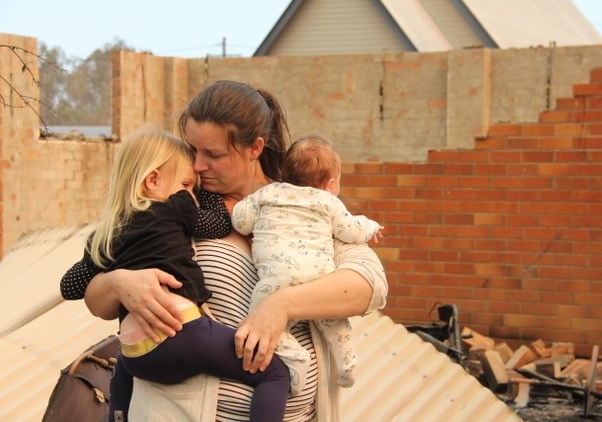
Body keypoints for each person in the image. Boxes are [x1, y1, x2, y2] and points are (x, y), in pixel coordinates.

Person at [60, 79, 388, 421]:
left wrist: (280, 304)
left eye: (213, 154)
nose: (199, 165)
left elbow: (370, 284)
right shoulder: (180, 204)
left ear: (254, 148)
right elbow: (94, 293)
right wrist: (118, 283)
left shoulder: (299, 203)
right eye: (193, 150)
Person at [60, 126, 290, 422]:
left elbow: (70, 286)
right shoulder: (175, 208)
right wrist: (208, 195)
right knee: (274, 372)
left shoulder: (103, 236)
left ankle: (116, 417)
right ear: (153, 180)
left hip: (136, 353)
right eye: (187, 184)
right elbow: (218, 224)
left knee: (121, 373)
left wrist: (111, 272)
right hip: (181, 335)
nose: (191, 194)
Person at [232, 134, 383, 393]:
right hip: (320, 277)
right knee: (333, 320)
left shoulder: (268, 193)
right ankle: (346, 361)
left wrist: (239, 209)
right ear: (330, 183)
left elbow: (241, 223)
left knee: (264, 320)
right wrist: (370, 227)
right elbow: (349, 230)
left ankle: (293, 354)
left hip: (276, 279)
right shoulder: (329, 201)